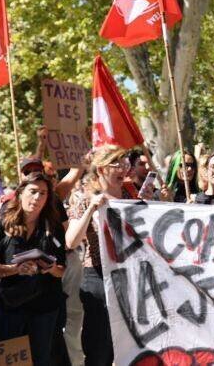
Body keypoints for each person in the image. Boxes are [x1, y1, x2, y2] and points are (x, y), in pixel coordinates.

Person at [0, 172, 66, 365]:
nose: (37, 198)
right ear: (21, 193)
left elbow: (62, 270)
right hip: (11, 307)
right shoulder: (2, 226)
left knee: (40, 360)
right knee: (5, 361)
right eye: (33, 191)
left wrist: (50, 268)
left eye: (43, 193)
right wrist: (15, 269)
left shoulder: (53, 228)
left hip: (44, 308)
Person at [65, 145, 130, 366]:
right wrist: (91, 210)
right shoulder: (84, 200)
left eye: (124, 162)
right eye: (115, 163)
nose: (122, 168)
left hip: (128, 277)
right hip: (97, 277)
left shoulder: (131, 196)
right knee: (100, 347)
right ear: (101, 169)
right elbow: (71, 241)